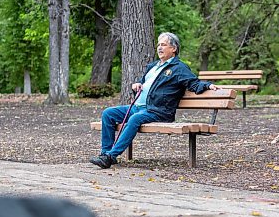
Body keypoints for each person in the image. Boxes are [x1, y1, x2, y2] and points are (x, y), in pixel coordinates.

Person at [90, 32, 223, 169]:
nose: (160, 48)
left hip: (159, 110)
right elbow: (145, 85)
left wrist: (207, 85)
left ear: (174, 49)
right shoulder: (152, 67)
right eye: (158, 44)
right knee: (108, 113)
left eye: (164, 45)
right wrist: (137, 85)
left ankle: (111, 156)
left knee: (135, 118)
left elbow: (193, 83)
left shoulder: (179, 68)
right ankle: (105, 154)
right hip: (139, 107)